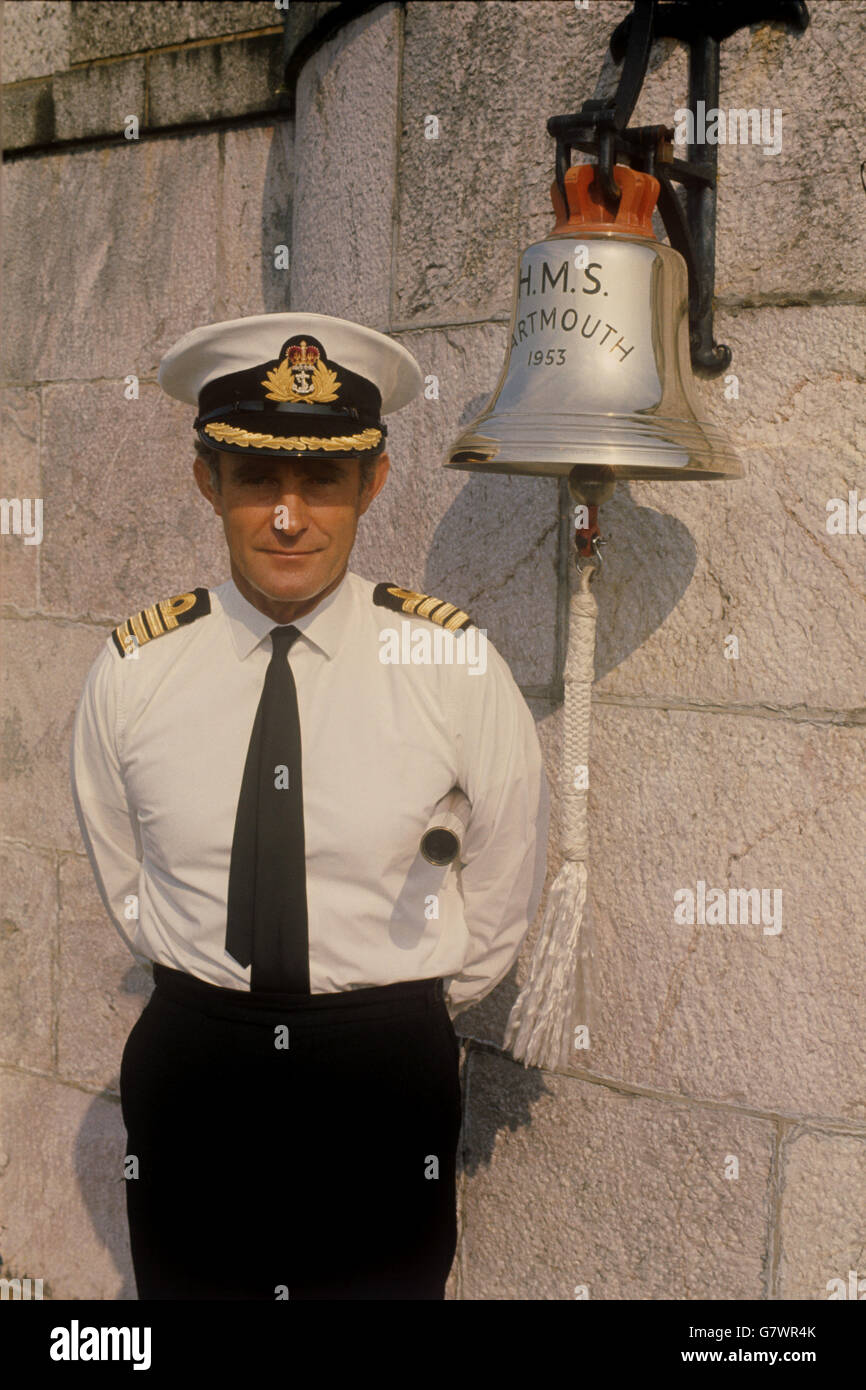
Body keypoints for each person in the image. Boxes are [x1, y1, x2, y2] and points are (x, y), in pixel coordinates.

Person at [70, 311, 550, 1301]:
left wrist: (403, 1009)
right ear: (208, 480)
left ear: (370, 482)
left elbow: (505, 872)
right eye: (255, 479)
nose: (288, 517)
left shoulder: (447, 661)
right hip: (197, 1058)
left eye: (321, 480)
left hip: (382, 1071)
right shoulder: (136, 666)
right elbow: (123, 869)